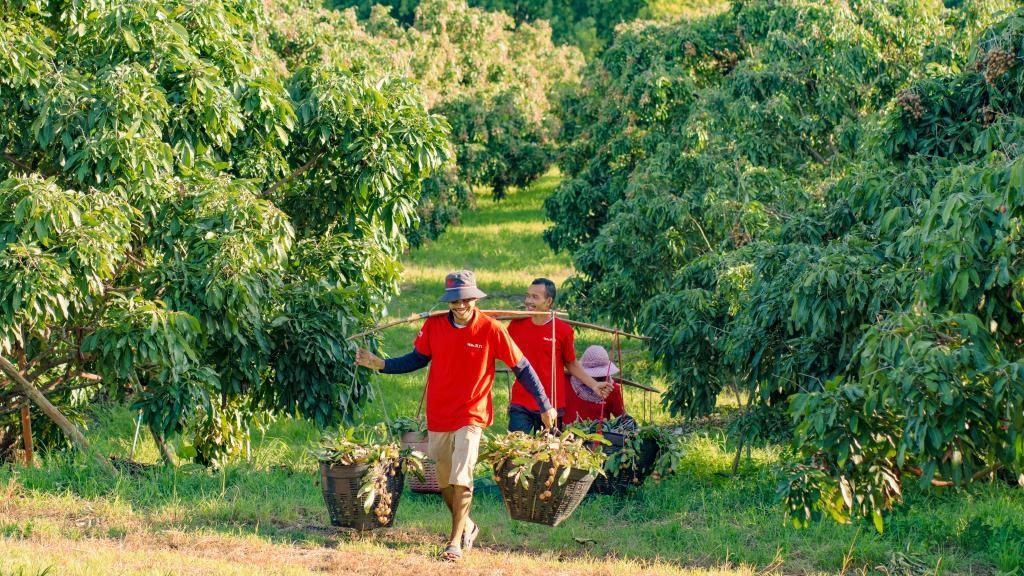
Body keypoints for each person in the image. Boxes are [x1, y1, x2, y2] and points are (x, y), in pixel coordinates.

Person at [355, 270, 556, 562]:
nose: (460, 306)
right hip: (439, 414)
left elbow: (522, 367)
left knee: (462, 475)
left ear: (475, 298)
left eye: (465, 300)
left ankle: (454, 543)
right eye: (454, 301)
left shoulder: (491, 329)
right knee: (444, 482)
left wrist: (544, 404)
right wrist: (380, 364)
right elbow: (417, 358)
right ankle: (468, 526)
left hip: (472, 414)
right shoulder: (434, 325)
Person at [505, 278, 611, 433]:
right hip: (521, 401)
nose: (528, 301)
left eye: (535, 297)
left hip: (551, 405)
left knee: (547, 454)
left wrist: (594, 385)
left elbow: (572, 363)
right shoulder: (516, 325)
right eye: (527, 296)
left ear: (548, 301)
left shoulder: (562, 330)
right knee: (515, 452)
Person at [563, 345, 627, 425]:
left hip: (599, 435)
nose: (597, 377)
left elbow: (622, 418)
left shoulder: (611, 389)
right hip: (566, 434)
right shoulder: (565, 380)